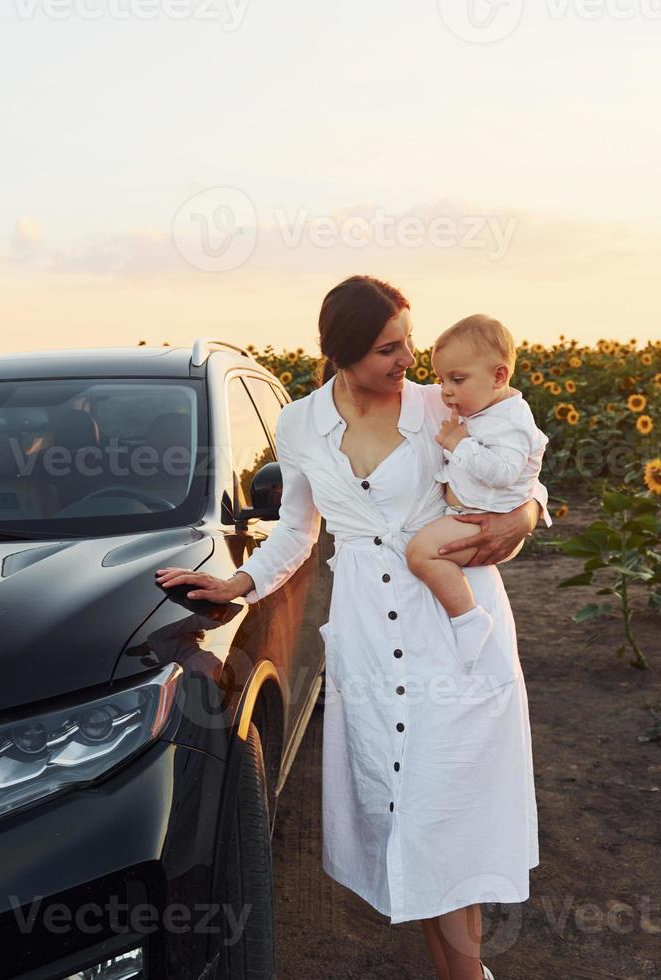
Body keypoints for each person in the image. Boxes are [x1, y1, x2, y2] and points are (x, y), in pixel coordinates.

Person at [155, 275, 547, 980]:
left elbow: (518, 461)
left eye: (409, 342)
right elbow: (296, 534)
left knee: (447, 819)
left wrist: (529, 512)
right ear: (343, 354)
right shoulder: (301, 423)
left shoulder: (439, 404)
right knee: (405, 814)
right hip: (369, 634)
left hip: (457, 631)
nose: (409, 361)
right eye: (388, 349)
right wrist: (237, 583)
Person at [404, 314, 552, 675]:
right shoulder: (483, 406)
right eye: (441, 380)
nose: (446, 392)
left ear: (499, 376)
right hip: (466, 516)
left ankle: (468, 618)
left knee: (421, 553)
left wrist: (460, 444)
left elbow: (505, 473)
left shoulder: (512, 421)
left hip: (481, 520)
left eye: (457, 379)